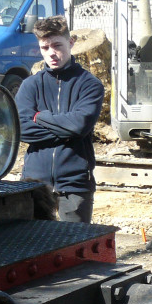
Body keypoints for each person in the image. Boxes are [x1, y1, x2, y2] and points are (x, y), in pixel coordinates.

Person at [17, 15, 104, 223]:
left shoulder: (90, 85)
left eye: (57, 45)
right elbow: (21, 129)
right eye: (44, 48)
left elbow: (78, 126)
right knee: (33, 248)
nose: (51, 53)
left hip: (75, 184)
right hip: (34, 183)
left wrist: (39, 117)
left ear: (71, 42)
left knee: (73, 249)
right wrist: (64, 129)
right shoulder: (30, 85)